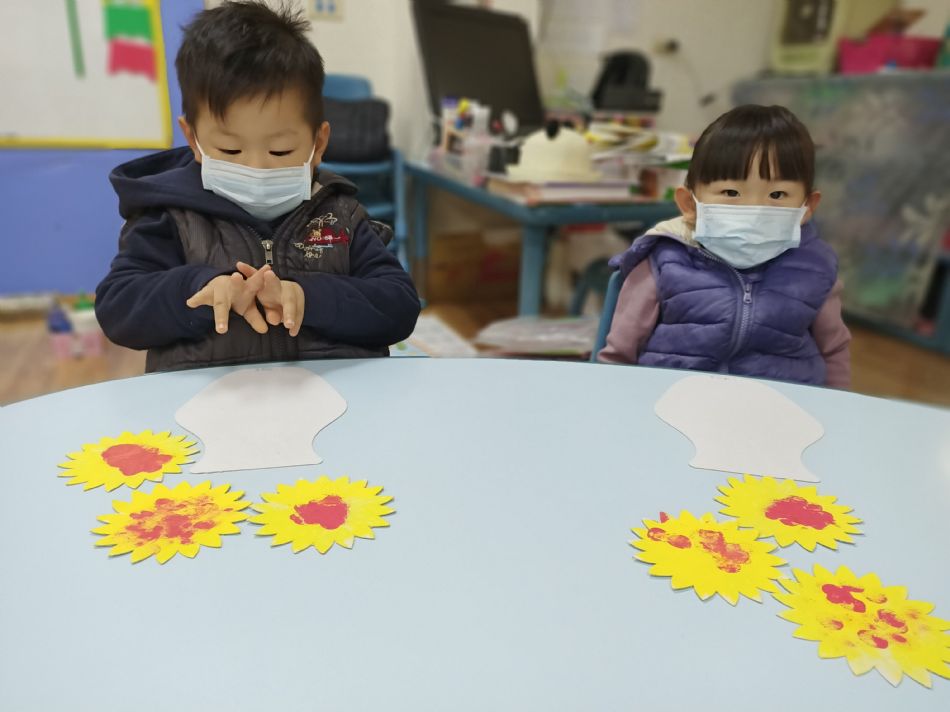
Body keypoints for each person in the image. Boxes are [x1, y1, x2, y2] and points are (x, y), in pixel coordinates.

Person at [95, 1, 420, 372]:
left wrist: (309, 297)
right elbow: (118, 307)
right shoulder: (168, 215)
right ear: (193, 138)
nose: (257, 168)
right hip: (211, 401)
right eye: (230, 150)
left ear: (318, 143)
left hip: (334, 396)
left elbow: (399, 305)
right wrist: (197, 290)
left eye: (281, 150)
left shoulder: (339, 215)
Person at [598, 104, 850, 387]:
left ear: (807, 207)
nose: (754, 210)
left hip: (782, 404)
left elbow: (834, 351)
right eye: (731, 192)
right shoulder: (663, 260)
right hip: (675, 399)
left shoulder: (816, 268)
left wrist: (836, 405)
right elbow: (620, 354)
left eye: (778, 194)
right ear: (689, 204)